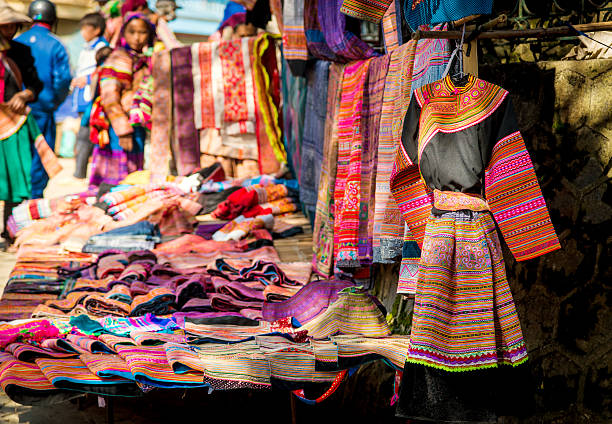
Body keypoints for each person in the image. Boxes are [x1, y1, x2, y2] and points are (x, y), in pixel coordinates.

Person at [88, 12, 155, 187]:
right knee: (116, 181)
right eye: (132, 32)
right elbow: (109, 96)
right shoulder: (119, 58)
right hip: (119, 128)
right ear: (123, 33)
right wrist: (122, 129)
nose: (137, 37)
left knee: (132, 178)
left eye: (142, 32)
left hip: (136, 127)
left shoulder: (146, 60)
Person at [16, 0, 71, 198]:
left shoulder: (17, 41)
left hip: (16, 111)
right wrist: (54, 102)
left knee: (20, 153)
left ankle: (19, 197)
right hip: (43, 109)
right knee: (42, 154)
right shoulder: (56, 44)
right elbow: (63, 80)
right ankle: (34, 198)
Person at [0, 2, 43, 244]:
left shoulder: (21, 52)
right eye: (4, 26)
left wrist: (23, 95)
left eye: (12, 26)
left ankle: (9, 232)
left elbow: (36, 85)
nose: (9, 30)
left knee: (14, 180)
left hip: (13, 123)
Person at [72, 12, 108, 179]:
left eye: (86, 28)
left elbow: (102, 71)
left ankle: (82, 173)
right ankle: (80, 171)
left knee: (86, 135)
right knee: (82, 134)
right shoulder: (86, 48)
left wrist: (85, 79)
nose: (82, 32)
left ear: (97, 30)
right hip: (81, 97)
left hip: (92, 98)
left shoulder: (102, 48)